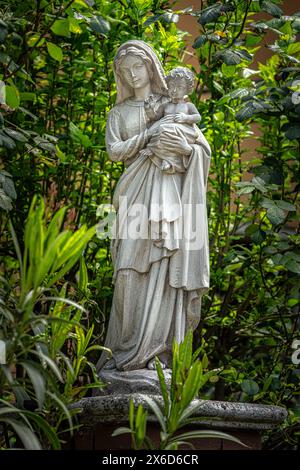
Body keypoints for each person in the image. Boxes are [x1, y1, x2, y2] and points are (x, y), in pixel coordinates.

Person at [96, 40, 211, 372]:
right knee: (127, 271)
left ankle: (155, 355)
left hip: (168, 193)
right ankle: (123, 352)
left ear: (151, 67)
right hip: (133, 195)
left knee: (163, 270)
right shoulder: (117, 114)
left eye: (138, 66)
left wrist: (187, 151)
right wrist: (150, 135)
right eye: (125, 70)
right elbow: (116, 151)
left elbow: (200, 149)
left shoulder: (173, 103)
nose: (133, 75)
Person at [140, 66, 201, 174]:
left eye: (179, 87)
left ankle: (165, 158)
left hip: (183, 133)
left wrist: (186, 117)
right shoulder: (165, 106)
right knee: (161, 131)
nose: (174, 90)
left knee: (166, 131)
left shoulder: (188, 106)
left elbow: (198, 117)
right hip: (167, 133)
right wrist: (149, 109)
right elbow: (155, 117)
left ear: (188, 89)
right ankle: (164, 158)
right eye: (171, 86)